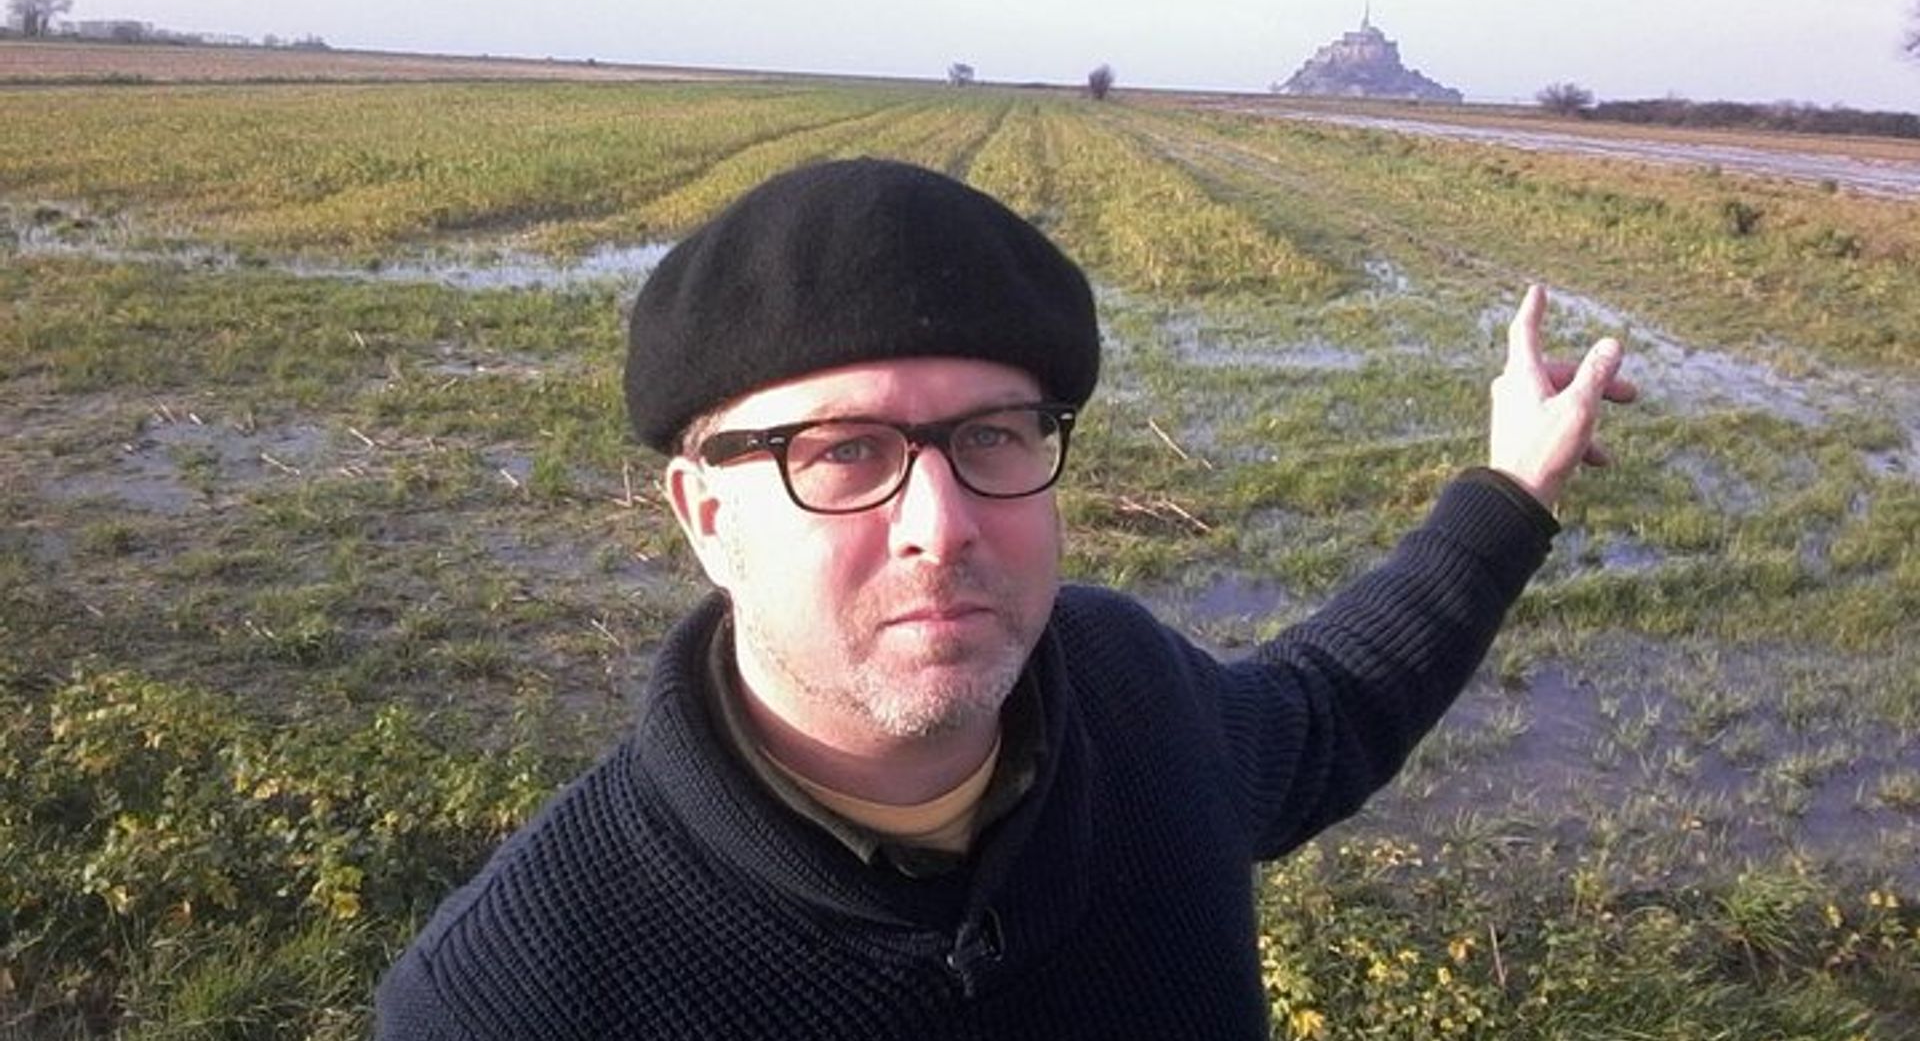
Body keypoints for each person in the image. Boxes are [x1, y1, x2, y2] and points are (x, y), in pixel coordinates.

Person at [376, 157, 1632, 1039]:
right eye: (843, 452)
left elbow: (1324, 713)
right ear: (707, 516)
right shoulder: (518, 1000)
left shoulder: (1129, 690)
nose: (942, 525)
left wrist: (1513, 486)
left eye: (991, 436)